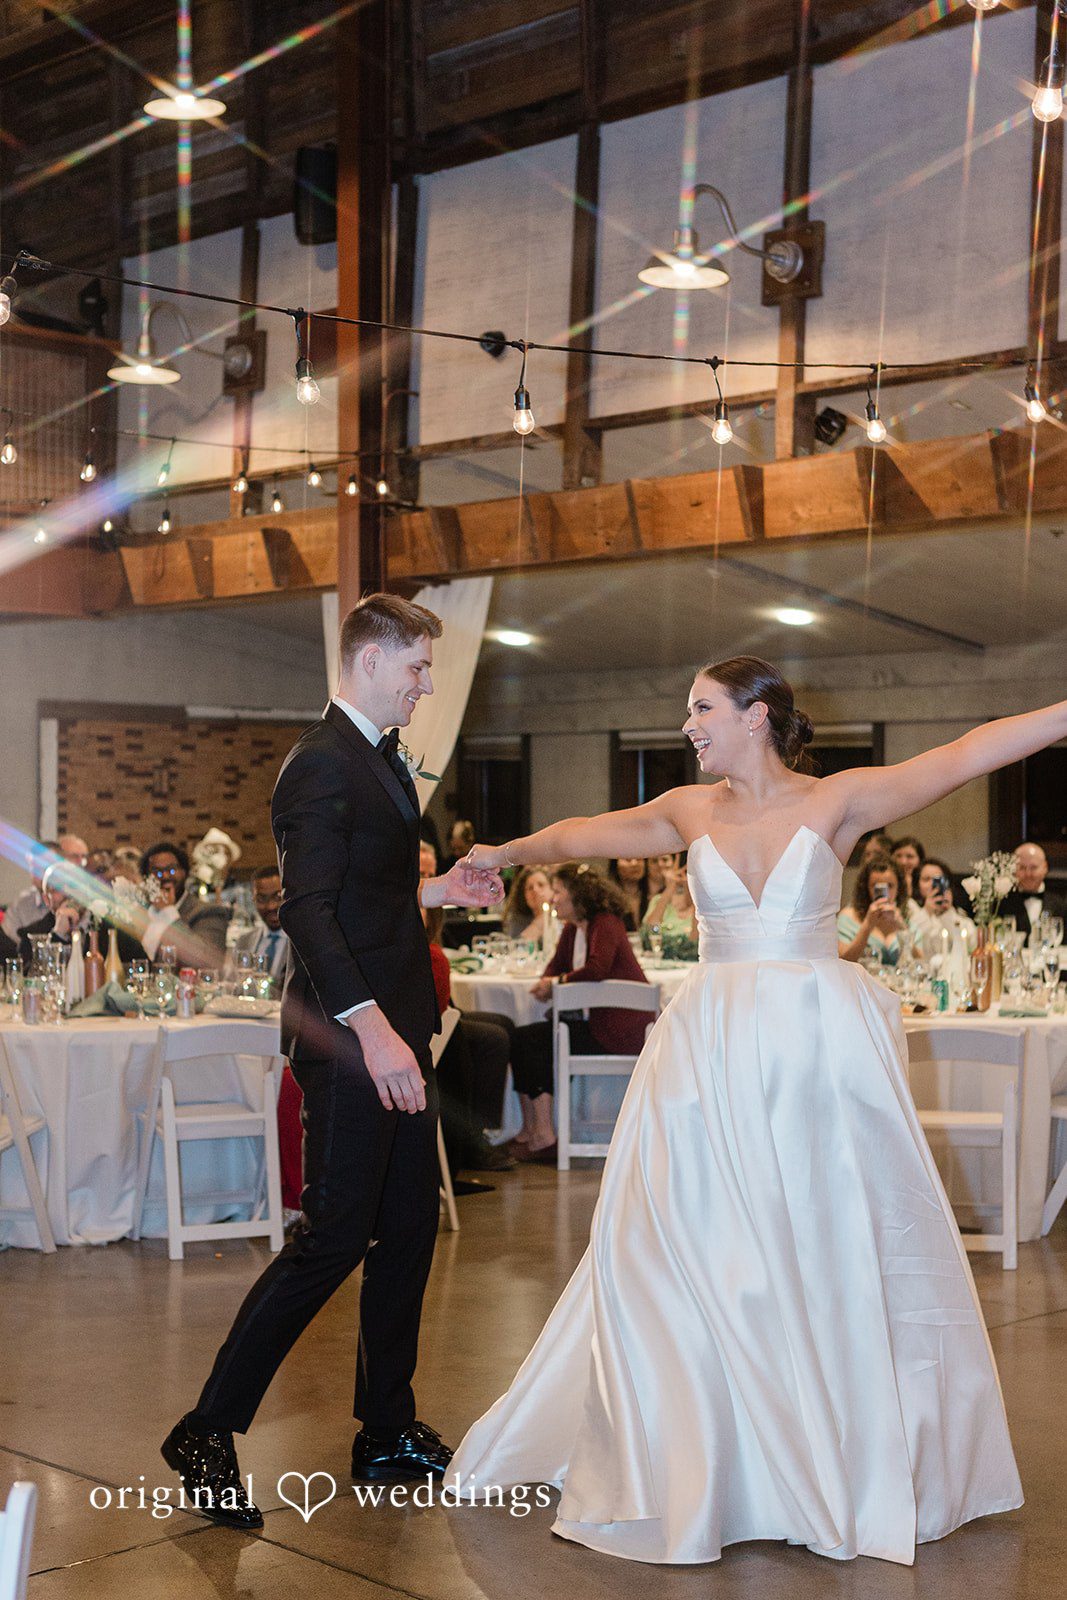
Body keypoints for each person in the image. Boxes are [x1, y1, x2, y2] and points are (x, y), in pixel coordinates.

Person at [453, 653, 1044, 1565]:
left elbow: (967, 752)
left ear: (756, 714)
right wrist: (502, 852)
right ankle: (714, 1456)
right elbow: (581, 832)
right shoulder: (690, 811)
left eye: (700, 708)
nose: (687, 725)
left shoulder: (839, 800)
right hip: (710, 1051)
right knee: (691, 1247)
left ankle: (830, 1451)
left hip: (815, 1049)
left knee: (821, 1236)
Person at [160, 593, 503, 1528]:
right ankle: (206, 1429)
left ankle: (384, 1429)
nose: (426, 686)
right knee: (335, 1240)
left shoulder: (374, 758)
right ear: (367, 660)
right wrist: (376, 1032)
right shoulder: (319, 765)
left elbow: (366, 892)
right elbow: (307, 912)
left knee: (410, 1231)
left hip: (390, 1032)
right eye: (417, 668)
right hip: (354, 1042)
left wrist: (440, 885)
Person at [508, 862, 649, 1163]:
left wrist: (556, 982)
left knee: (532, 1042)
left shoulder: (606, 923)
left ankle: (544, 1135)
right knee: (520, 1038)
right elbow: (555, 966)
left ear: (578, 895)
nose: (553, 898)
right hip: (594, 1023)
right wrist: (550, 979)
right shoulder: (573, 929)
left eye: (558, 891)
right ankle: (531, 1130)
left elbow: (597, 968)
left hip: (618, 1029)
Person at [836, 855, 914, 966]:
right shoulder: (848, 917)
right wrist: (867, 925)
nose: (884, 892)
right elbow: (843, 960)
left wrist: (901, 926)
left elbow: (919, 961)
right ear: (866, 888)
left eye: (890, 886)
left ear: (899, 888)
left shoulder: (907, 916)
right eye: (876, 886)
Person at [230, 865, 289, 992]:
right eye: (262, 899)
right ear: (253, 899)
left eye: (277, 897)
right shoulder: (244, 942)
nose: (270, 906)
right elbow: (232, 987)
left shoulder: (301, 942)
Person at [998, 842, 1067, 937]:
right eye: (1022, 867)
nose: (1028, 874)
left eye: (1033, 867)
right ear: (1014, 869)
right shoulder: (1001, 903)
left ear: (1045, 867)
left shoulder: (1062, 903)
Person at [642, 856, 698, 942]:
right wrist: (671, 886)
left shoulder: (700, 906)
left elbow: (696, 941)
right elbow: (649, 933)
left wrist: (694, 888)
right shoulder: (658, 900)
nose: (684, 876)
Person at [500, 866, 553, 942]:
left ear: (552, 888)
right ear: (524, 895)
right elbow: (517, 946)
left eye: (541, 885)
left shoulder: (562, 916)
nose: (535, 890)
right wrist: (542, 917)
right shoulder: (518, 918)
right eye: (530, 888)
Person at [607, 856, 649, 931]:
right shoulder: (608, 899)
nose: (634, 864)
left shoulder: (652, 895)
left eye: (639, 859)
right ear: (615, 864)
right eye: (628, 859)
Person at [890, 834, 925, 901]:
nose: (903, 862)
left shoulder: (926, 884)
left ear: (920, 859)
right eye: (898, 856)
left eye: (910, 856)